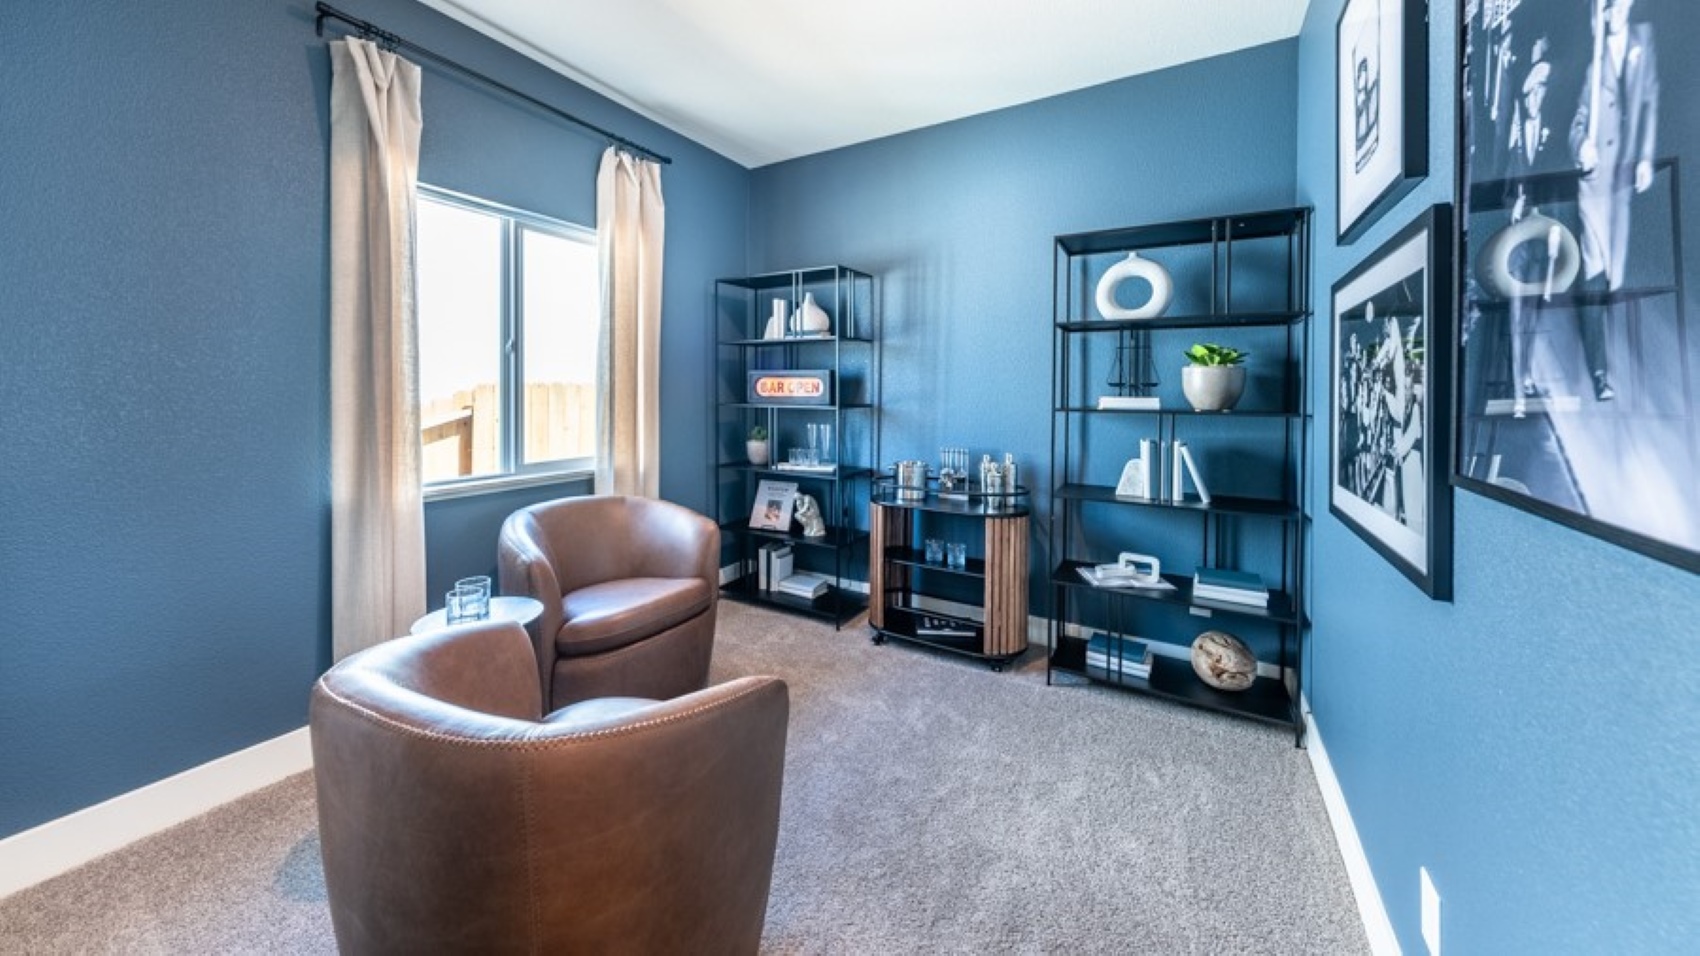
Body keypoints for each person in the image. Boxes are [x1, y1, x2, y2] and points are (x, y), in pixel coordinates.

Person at [1569, 0, 1660, 402]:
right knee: (1594, 274)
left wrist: (1646, 156)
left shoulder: (1643, 41)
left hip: (1625, 183)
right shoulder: (1592, 64)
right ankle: (1600, 372)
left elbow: (1650, 101)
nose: (1617, 9)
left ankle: (1632, 366)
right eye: (1610, 5)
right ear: (1602, 12)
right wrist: (1581, 147)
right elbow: (1577, 120)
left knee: (1616, 278)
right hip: (1595, 183)